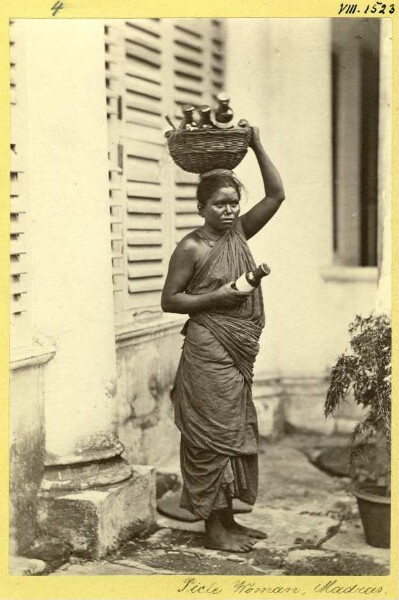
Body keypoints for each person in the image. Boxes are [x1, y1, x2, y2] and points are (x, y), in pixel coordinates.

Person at [161, 125, 285, 553]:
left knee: (233, 431)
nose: (230, 211)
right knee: (210, 436)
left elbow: (276, 196)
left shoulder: (238, 235)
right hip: (206, 348)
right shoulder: (191, 247)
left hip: (238, 353)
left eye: (234, 203)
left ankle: (229, 519)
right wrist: (219, 296)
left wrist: (256, 143)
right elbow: (170, 301)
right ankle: (213, 528)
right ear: (202, 207)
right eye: (220, 204)